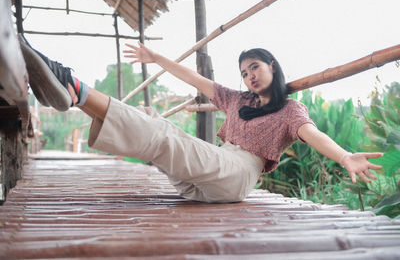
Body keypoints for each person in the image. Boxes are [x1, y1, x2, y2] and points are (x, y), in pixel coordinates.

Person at [19, 36, 382, 203]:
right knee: (150, 119)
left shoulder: (289, 110)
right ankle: (70, 93)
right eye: (243, 72)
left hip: (236, 174)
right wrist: (156, 56)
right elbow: (194, 79)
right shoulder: (237, 100)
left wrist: (344, 156)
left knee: (162, 135)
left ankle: (70, 84)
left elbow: (312, 134)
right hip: (199, 185)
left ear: (272, 66)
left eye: (254, 67)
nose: (249, 76)